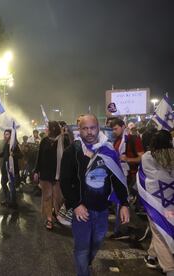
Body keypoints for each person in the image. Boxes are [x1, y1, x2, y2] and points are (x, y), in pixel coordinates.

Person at [60, 114, 130, 276]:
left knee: (97, 242)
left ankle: (86, 264)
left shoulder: (108, 150)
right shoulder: (73, 150)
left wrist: (124, 203)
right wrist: (76, 204)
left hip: (102, 209)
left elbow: (117, 177)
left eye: (92, 128)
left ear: (98, 128)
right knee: (82, 248)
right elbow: (64, 181)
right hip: (82, 211)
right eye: (85, 128)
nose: (89, 132)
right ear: (79, 130)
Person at [137, 130, 174, 275]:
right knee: (160, 229)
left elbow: (144, 176)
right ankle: (152, 256)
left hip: (155, 202)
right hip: (170, 201)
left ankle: (169, 268)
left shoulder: (147, 157)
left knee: (159, 232)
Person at [111, 118, 144, 239]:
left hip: (131, 175)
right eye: (112, 129)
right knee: (118, 202)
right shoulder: (117, 140)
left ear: (123, 126)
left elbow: (142, 157)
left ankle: (138, 227)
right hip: (120, 175)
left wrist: (128, 159)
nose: (114, 131)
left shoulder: (133, 139)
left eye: (116, 128)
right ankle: (124, 229)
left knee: (122, 202)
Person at [34, 121, 67, 230]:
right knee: (47, 197)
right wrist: (36, 171)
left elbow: (68, 156)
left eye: (47, 127)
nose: (45, 129)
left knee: (58, 198)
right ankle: (49, 219)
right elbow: (39, 157)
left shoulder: (63, 140)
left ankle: (58, 215)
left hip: (59, 175)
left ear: (52, 129)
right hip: (45, 175)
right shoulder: (44, 141)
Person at [0, 129, 22, 209]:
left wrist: (14, 154)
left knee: (12, 186)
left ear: (11, 135)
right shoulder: (6, 144)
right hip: (5, 168)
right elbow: (4, 154)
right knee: (3, 183)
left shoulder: (14, 145)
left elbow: (21, 155)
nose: (5, 136)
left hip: (12, 169)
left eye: (7, 134)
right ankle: (8, 199)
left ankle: (13, 202)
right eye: (5, 134)